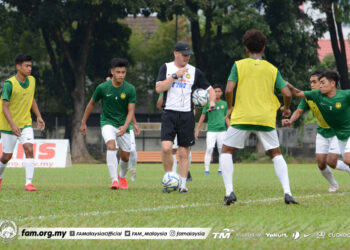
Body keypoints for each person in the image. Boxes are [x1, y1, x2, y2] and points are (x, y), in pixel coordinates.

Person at [220, 29, 298, 205]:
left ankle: (229, 191)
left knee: (226, 151)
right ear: (264, 47)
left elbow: (229, 90)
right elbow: (287, 92)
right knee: (276, 154)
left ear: (246, 49)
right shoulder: (272, 69)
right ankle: (287, 192)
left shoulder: (238, 65)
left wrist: (230, 107)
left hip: (242, 116)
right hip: (265, 117)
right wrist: (286, 108)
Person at [155, 41, 215, 193]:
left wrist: (212, 102)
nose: (187, 58)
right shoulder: (166, 68)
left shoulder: (194, 71)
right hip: (169, 113)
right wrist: (175, 76)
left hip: (187, 115)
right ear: (176, 53)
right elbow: (158, 88)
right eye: (184, 55)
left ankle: (182, 185)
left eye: (188, 55)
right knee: (166, 147)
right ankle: (169, 180)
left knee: (183, 151)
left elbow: (210, 90)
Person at [282, 70, 350, 192]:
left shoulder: (343, 95)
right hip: (328, 133)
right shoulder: (312, 96)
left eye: (317, 82)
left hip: (338, 132)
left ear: (331, 83)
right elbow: (298, 103)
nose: (312, 84)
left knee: (339, 160)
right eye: (311, 82)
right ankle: (333, 184)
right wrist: (290, 120)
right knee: (321, 163)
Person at [80, 58, 136, 190]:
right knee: (111, 146)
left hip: (124, 125)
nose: (121, 75)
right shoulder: (102, 88)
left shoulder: (130, 89)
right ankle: (114, 180)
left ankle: (122, 176)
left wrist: (125, 126)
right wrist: (83, 122)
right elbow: (91, 104)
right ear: (112, 72)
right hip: (107, 123)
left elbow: (131, 111)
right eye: (118, 72)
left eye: (123, 72)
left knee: (126, 156)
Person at [0, 54, 45, 191]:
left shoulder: (32, 81)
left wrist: (38, 116)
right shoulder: (9, 84)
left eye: (30, 65)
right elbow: (4, 107)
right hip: (9, 126)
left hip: (25, 123)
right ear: (18, 67)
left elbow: (31, 99)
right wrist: (13, 125)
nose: (29, 68)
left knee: (29, 149)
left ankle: (29, 183)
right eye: (26, 65)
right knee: (7, 156)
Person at [157, 93, 193, 181]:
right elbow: (159, 106)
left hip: (185, 121)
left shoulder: (188, 86)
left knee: (184, 149)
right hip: (170, 121)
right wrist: (165, 92)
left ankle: (185, 175)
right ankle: (171, 177)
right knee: (170, 149)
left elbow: (193, 108)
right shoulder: (166, 86)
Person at [195, 84, 230, 175]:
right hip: (211, 130)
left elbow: (226, 118)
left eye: (219, 91)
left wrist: (230, 129)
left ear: (222, 93)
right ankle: (207, 169)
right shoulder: (207, 103)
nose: (217, 93)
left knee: (221, 150)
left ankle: (220, 169)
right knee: (209, 148)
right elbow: (202, 116)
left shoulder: (224, 104)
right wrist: (197, 129)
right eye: (215, 91)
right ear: (212, 93)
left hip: (222, 130)